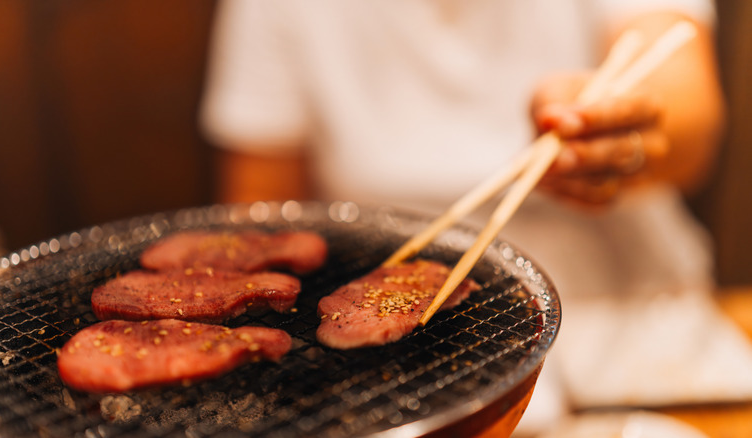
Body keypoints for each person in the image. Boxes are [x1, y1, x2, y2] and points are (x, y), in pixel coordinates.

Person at [199, 0, 733, 435]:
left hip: (628, 318)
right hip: (407, 350)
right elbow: (261, 222)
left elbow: (689, 115)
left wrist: (622, 138)